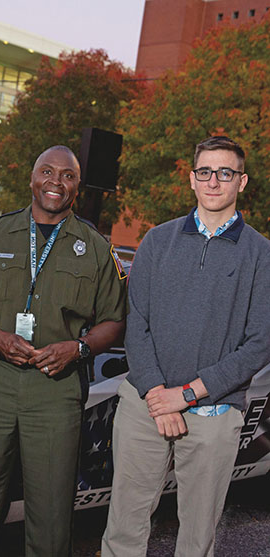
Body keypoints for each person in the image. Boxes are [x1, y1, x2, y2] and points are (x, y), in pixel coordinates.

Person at [0, 145, 126, 556]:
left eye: (67, 176)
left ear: (77, 186)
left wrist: (78, 348)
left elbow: (114, 321)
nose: (56, 182)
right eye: (47, 172)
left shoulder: (95, 247)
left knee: (50, 512)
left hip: (56, 390)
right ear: (32, 178)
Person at [101, 135, 270, 557]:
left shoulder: (261, 255)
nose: (214, 181)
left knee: (197, 538)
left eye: (225, 173)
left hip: (213, 411)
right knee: (124, 526)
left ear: (242, 182)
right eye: (205, 172)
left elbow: (259, 344)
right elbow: (136, 322)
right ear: (192, 180)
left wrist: (187, 394)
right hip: (146, 404)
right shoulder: (157, 241)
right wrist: (159, 394)